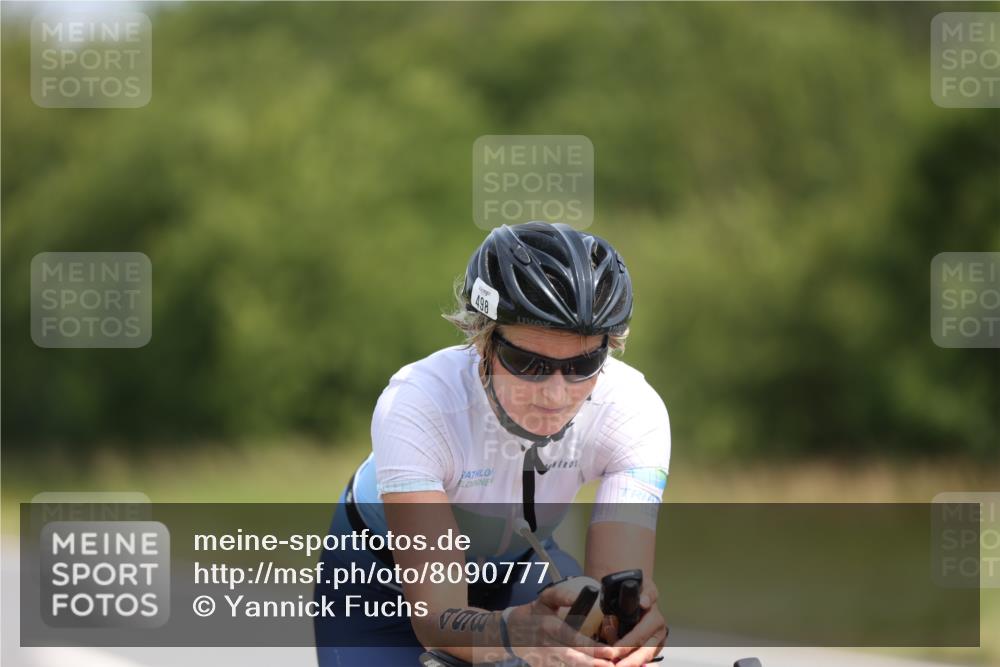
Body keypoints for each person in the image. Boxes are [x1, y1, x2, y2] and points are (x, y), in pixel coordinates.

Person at [314, 221, 671, 667]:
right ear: (482, 341)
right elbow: (437, 617)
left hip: (518, 568)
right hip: (379, 580)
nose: (555, 394)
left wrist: (625, 629)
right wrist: (514, 634)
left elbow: (612, 596)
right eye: (527, 363)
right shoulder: (418, 402)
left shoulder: (632, 409)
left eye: (584, 364)